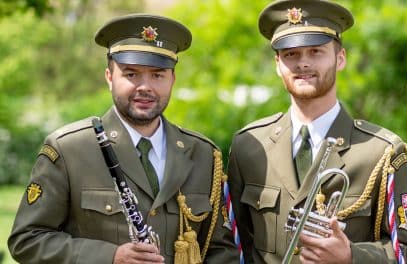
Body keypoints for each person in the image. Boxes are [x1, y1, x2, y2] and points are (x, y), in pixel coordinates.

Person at [8, 14, 239, 264]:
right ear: (109, 77)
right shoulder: (69, 149)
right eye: (131, 74)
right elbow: (27, 240)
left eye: (157, 75)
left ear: (172, 79)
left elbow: (220, 251)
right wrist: (110, 257)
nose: (145, 86)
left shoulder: (203, 154)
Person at [227, 0, 407, 263]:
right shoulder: (248, 146)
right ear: (278, 64)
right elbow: (234, 246)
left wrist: (352, 256)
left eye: (315, 52)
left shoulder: (384, 153)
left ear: (340, 58)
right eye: (291, 54)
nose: (303, 64)